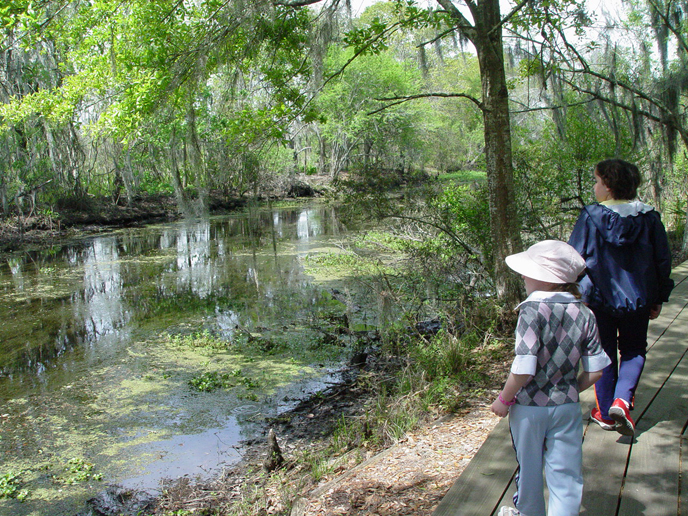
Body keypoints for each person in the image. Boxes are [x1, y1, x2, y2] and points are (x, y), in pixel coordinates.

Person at [492, 240, 610, 516]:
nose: (522, 275)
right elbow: (596, 371)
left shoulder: (531, 310)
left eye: (527, 271)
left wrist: (503, 399)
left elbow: (523, 368)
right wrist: (569, 389)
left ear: (546, 277)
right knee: (567, 475)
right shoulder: (585, 312)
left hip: (530, 407)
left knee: (529, 470)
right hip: (567, 407)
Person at [568, 159, 674, 436]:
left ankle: (605, 413)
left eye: (596, 181)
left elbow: (574, 258)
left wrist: (570, 293)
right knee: (634, 350)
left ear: (609, 185)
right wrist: (659, 297)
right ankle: (622, 400)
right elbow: (662, 261)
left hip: (599, 301)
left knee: (601, 354)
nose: (594, 186)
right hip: (638, 299)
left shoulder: (591, 217)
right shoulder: (649, 217)